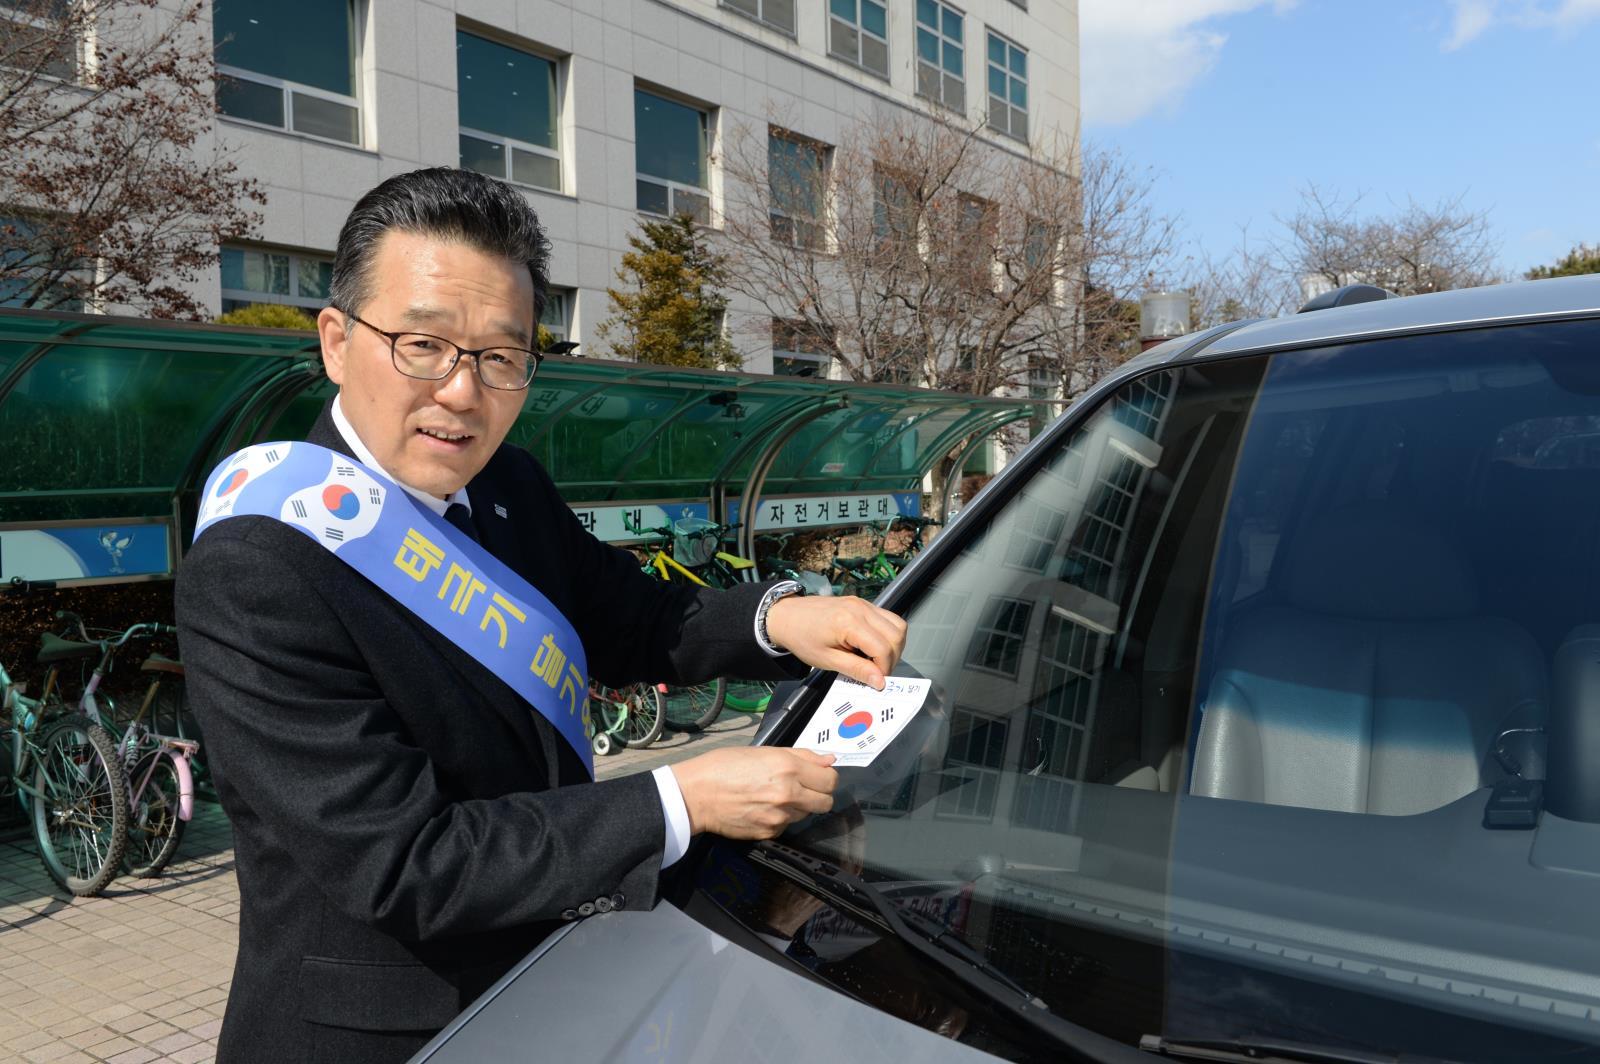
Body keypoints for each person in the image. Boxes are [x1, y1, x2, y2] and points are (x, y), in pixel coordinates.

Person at [176, 167, 908, 1064]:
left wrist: (777, 619)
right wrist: (681, 796)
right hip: (385, 1032)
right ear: (336, 341)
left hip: (559, 978)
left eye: (500, 356)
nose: (461, 391)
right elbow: (408, 865)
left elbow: (634, 616)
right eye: (423, 344)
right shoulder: (260, 567)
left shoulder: (507, 485)